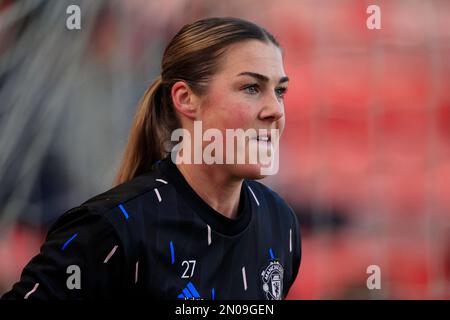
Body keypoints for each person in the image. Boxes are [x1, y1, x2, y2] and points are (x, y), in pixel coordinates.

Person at [1, 17, 301, 300]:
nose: (275, 109)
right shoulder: (110, 227)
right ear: (185, 99)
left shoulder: (280, 223)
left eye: (280, 91)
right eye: (251, 88)